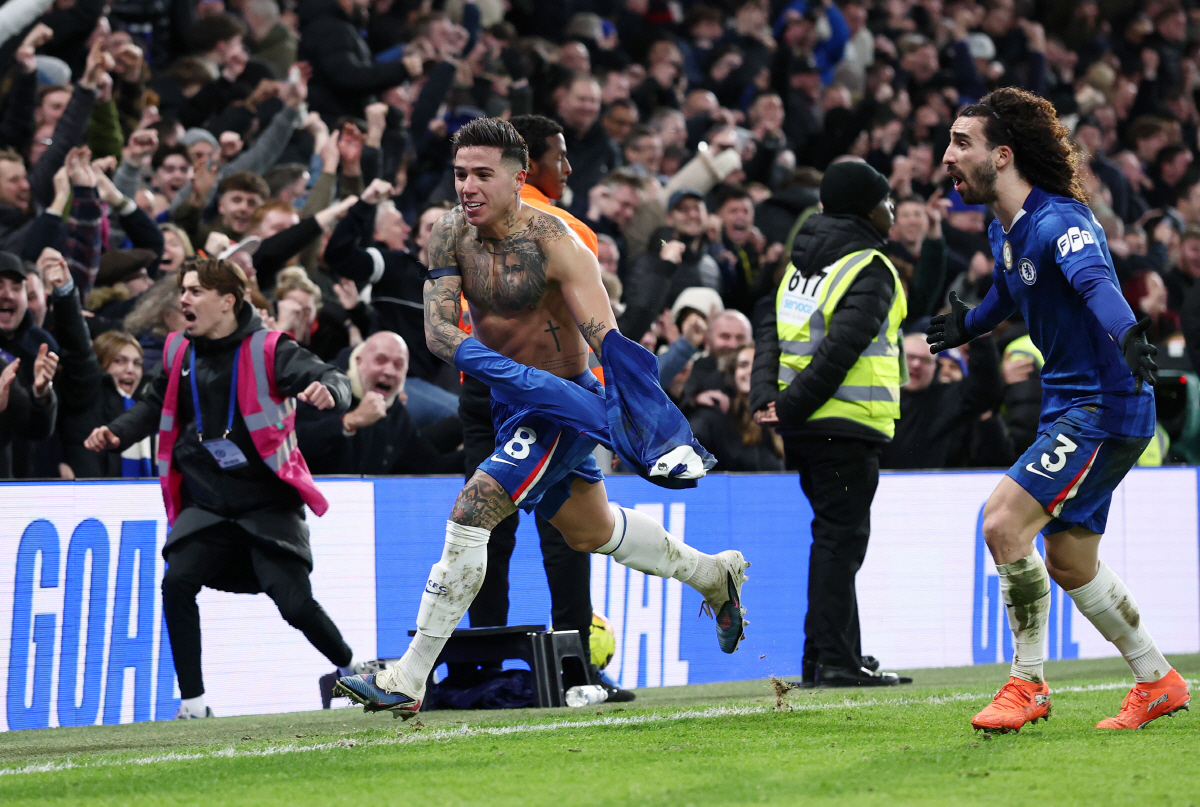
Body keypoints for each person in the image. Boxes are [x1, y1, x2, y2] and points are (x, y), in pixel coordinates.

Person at [336, 118, 748, 717]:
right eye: (459, 174)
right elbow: (439, 333)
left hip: (560, 404)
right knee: (589, 531)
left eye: (482, 174)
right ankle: (714, 575)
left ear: (518, 178)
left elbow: (607, 339)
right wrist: (518, 380)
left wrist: (647, 421)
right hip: (514, 402)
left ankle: (409, 676)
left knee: (475, 507)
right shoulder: (450, 233)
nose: (467, 187)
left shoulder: (559, 244)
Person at [929, 87, 1188, 732]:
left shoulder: (1059, 221)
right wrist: (971, 325)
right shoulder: (1008, 228)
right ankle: (1158, 678)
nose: (947, 156)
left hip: (1102, 405)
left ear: (1004, 155)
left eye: (963, 143)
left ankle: (1027, 686)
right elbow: (1010, 288)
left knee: (1001, 523)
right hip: (1073, 407)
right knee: (1071, 561)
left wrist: (1128, 334)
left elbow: (1096, 283)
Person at [84, 257, 369, 719]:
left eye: (195, 291)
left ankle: (357, 670)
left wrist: (330, 392)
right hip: (210, 498)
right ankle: (194, 704)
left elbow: (331, 377)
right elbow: (154, 405)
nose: (183, 299)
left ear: (227, 302)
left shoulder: (270, 349)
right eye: (183, 290)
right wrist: (117, 433)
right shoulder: (178, 351)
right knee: (177, 580)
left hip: (267, 501)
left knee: (294, 604)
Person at [750, 160, 912, 688]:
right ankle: (834, 662)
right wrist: (790, 406)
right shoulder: (870, 267)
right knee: (841, 544)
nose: (893, 212)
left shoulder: (800, 267)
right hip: (846, 424)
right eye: (888, 203)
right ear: (869, 209)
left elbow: (770, 332)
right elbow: (843, 349)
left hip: (806, 427)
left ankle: (830, 656)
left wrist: (768, 401)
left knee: (834, 541)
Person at [296, 331, 461, 475]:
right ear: (359, 361)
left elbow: (428, 467)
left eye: (398, 365)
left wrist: (483, 452)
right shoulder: (324, 390)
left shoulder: (396, 415)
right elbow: (292, 446)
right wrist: (348, 422)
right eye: (380, 360)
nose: (389, 371)